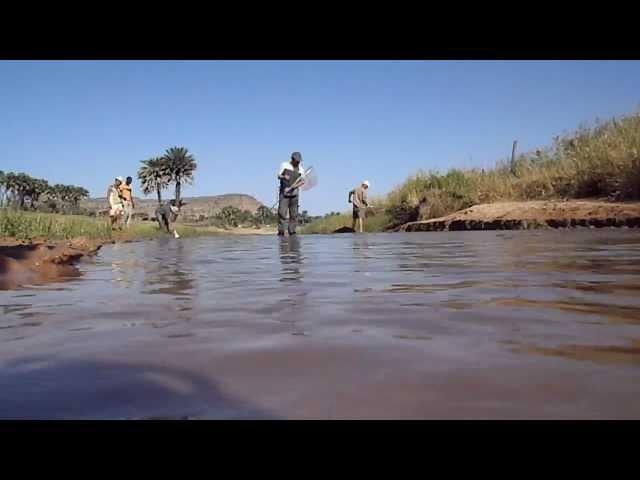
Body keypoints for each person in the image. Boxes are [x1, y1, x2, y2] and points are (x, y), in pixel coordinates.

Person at [277, 151, 306, 236]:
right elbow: (278, 176)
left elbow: (302, 181)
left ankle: (292, 232)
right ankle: (281, 232)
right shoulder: (284, 165)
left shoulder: (301, 169)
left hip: (295, 194)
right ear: (292, 159)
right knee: (282, 213)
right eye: (297, 161)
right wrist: (284, 176)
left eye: (299, 161)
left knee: (294, 214)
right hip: (284, 193)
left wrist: (293, 187)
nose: (298, 162)